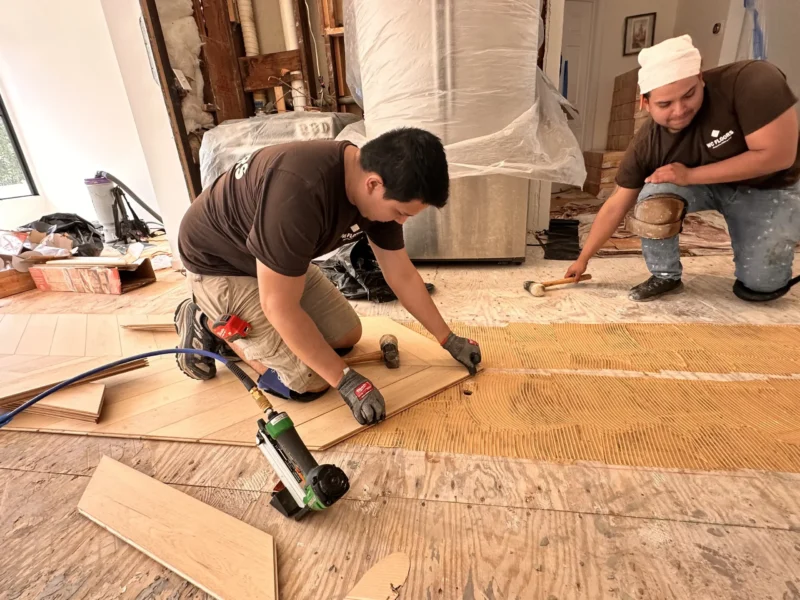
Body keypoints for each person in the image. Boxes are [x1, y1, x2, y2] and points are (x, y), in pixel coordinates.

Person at [174, 128, 482, 425]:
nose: (401, 221)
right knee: (312, 381)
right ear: (373, 184)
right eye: (401, 212)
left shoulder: (376, 188)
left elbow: (401, 274)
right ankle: (209, 323)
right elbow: (278, 305)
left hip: (276, 261)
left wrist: (448, 339)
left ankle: (255, 332)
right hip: (221, 267)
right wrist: (345, 381)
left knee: (347, 336)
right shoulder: (299, 192)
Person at [566, 35, 800, 302]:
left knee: (761, 287)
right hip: (709, 187)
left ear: (701, 78)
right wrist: (582, 260)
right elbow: (616, 204)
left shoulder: (753, 81)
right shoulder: (648, 143)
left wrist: (689, 175)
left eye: (689, 94)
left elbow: (778, 156)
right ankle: (665, 276)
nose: (679, 110)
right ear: (645, 103)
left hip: (768, 185)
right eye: (665, 104)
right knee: (654, 193)